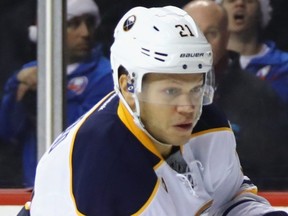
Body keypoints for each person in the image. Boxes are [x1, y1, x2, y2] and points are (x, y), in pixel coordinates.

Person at [23, 6, 287, 215]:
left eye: (195, 88)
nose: (188, 107)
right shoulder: (102, 162)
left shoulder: (208, 123)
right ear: (128, 87)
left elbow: (229, 201)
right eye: (171, 91)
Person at [0, 0, 114, 187]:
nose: (85, 33)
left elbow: (82, 134)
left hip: (83, 187)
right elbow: (8, 130)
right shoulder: (31, 73)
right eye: (74, 24)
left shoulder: (105, 74)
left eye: (89, 23)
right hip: (34, 186)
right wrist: (17, 86)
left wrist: (47, 95)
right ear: (51, 28)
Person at [183, 0, 288, 190]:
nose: (201, 44)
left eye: (211, 34)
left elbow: (271, 172)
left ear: (226, 37)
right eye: (192, 34)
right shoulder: (153, 94)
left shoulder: (261, 97)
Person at [215, 0, 288, 104]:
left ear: (260, 11)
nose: (239, 3)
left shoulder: (284, 66)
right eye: (231, 0)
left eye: (249, 0)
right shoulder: (207, 66)